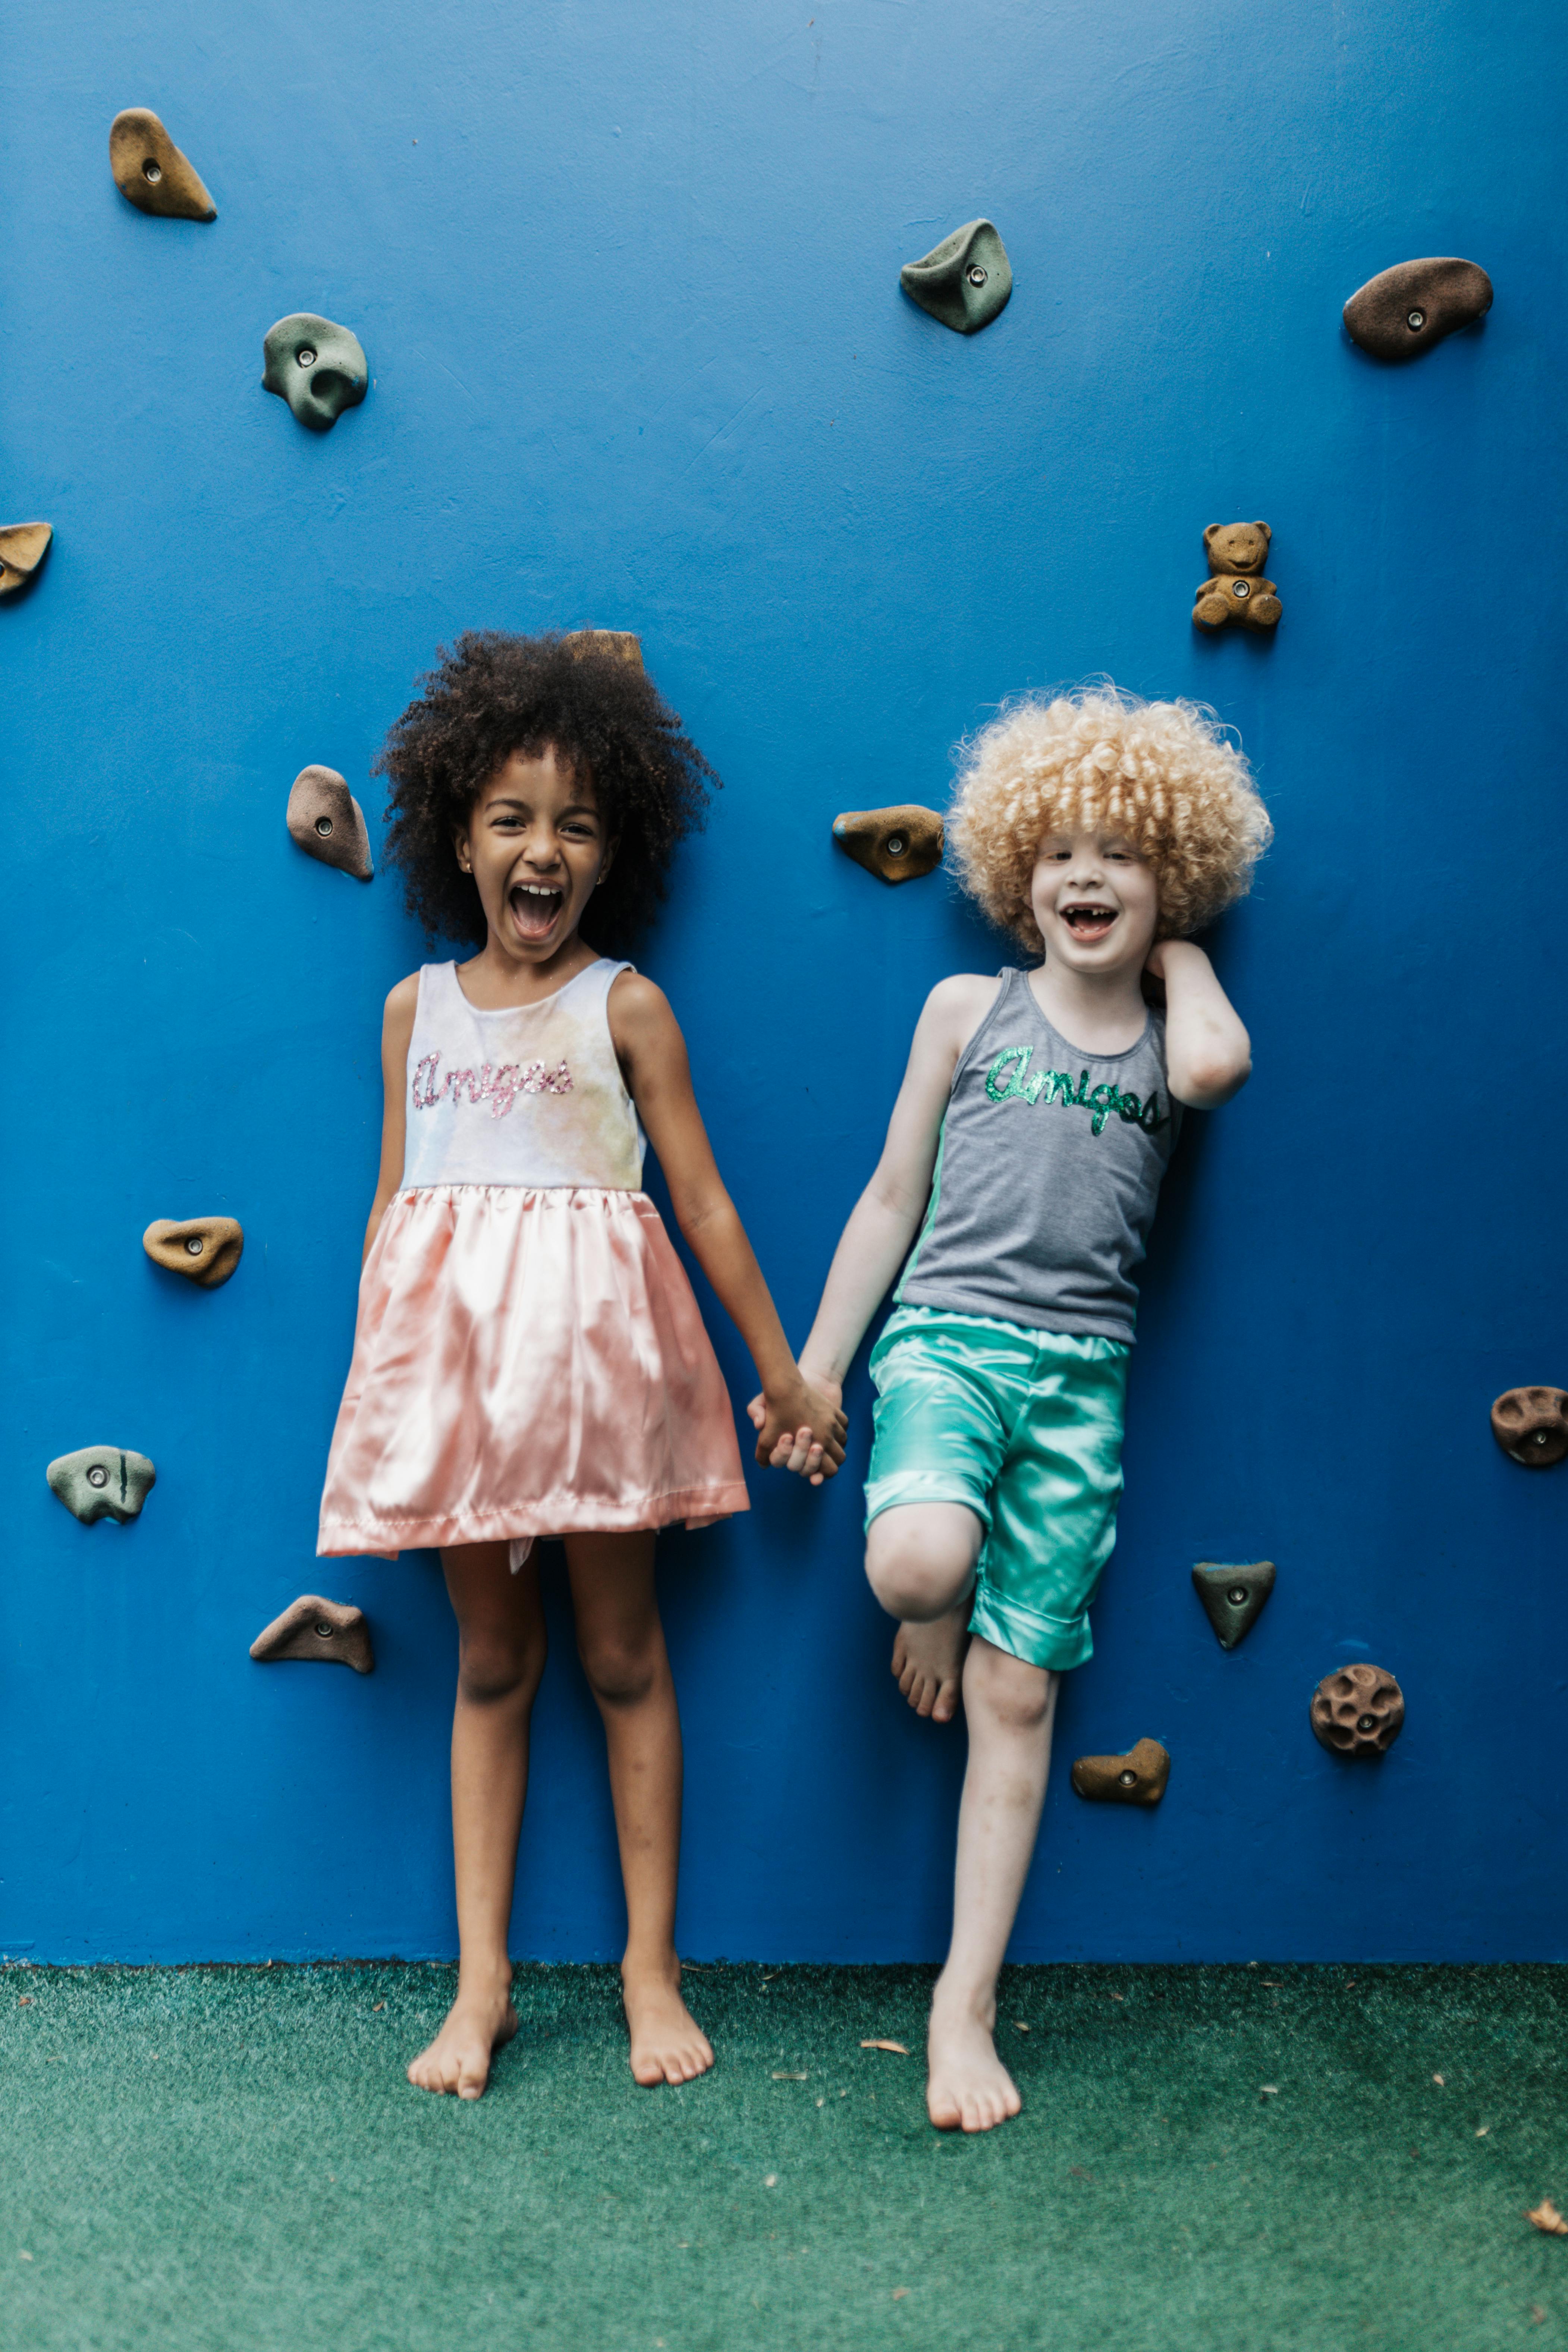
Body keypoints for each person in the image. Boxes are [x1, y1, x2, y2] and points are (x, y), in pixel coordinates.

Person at [318, 631, 845, 2101]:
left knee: (621, 1654)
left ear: (613, 848)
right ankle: (479, 1984)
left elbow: (706, 1201)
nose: (541, 849)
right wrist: (377, 1390)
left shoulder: (624, 1005)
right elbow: (393, 1207)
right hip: (459, 1389)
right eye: (509, 818)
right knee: (492, 1661)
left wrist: (784, 1373)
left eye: (575, 822)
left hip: (603, 1383)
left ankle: (646, 1967)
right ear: (455, 839)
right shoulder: (412, 1010)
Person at [757, 684, 1269, 2132]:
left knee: (1018, 1692)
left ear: (1174, 875)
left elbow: (1219, 1067)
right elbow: (885, 1197)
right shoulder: (964, 1007)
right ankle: (943, 1581)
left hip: (1081, 1376)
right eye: (1057, 852)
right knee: (916, 1559)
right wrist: (814, 1366)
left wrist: (1179, 955)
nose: (1086, 876)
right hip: (947, 1341)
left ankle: (960, 2002)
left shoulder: (1174, 1032)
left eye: (1123, 854)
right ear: (1011, 875)